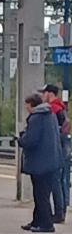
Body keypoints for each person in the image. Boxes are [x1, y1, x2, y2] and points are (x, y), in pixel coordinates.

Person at [18, 93, 62, 233]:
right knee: (41, 193)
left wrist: (20, 139)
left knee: (41, 194)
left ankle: (46, 224)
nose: (25, 107)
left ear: (31, 105)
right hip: (51, 161)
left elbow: (31, 141)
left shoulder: (36, 118)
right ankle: (37, 220)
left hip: (40, 163)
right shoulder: (50, 115)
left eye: (26, 104)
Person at [40, 83, 70, 222]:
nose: (42, 96)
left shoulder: (53, 109)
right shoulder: (62, 109)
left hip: (56, 149)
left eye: (44, 93)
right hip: (64, 148)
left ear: (50, 94)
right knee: (61, 180)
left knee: (55, 181)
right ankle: (62, 210)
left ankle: (58, 213)